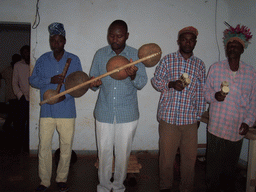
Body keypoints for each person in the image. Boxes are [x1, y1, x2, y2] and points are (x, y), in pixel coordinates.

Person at [89, 20, 147, 192]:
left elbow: (142, 83)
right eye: (111, 35)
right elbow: (92, 83)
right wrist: (95, 83)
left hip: (127, 113)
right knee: (104, 152)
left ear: (127, 36)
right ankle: (104, 187)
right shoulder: (100, 54)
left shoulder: (136, 55)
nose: (115, 39)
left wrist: (133, 76)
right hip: (104, 111)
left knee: (123, 155)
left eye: (119, 35)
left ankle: (119, 187)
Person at [151, 26, 206, 192]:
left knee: (189, 159)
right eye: (184, 39)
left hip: (190, 120)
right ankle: (165, 186)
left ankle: (186, 188)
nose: (187, 42)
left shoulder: (199, 65)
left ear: (195, 42)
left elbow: (201, 92)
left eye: (191, 40)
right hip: (169, 119)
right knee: (166, 158)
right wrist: (170, 84)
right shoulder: (168, 60)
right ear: (178, 41)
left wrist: (198, 117)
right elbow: (156, 81)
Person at [29, 22, 82, 192]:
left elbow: (79, 84)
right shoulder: (43, 59)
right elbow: (32, 80)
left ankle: (61, 179)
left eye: (59, 40)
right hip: (47, 112)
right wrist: (49, 81)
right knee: (44, 147)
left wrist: (63, 96)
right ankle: (44, 181)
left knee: (66, 147)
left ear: (64, 41)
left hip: (66, 110)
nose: (55, 44)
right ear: (50, 41)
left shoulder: (73, 59)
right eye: (53, 40)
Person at [204, 24, 256, 192]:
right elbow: (205, 93)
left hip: (236, 130)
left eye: (236, 45)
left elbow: (253, 101)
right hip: (216, 128)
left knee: (229, 171)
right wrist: (214, 96)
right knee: (213, 171)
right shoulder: (216, 68)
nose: (232, 48)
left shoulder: (251, 73)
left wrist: (248, 122)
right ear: (226, 49)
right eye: (229, 46)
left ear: (242, 49)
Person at [13, 46, 30, 154]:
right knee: (20, 124)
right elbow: (14, 82)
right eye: (24, 52)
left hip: (34, 98)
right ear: (21, 54)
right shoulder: (18, 65)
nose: (26, 54)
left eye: (27, 52)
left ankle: (27, 147)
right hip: (23, 98)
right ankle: (18, 147)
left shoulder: (35, 64)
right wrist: (20, 95)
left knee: (31, 124)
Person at [0, 54, 21, 132]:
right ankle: (11, 126)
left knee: (15, 112)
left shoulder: (20, 69)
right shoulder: (8, 69)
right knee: (14, 111)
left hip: (19, 94)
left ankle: (10, 126)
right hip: (12, 94)